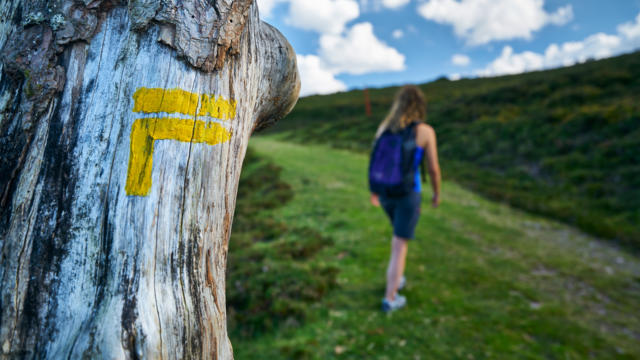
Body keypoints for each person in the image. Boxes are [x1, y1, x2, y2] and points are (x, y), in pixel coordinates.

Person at [368, 85, 441, 312]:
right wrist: (437, 192)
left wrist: (375, 191)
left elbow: (375, 161)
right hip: (409, 194)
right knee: (400, 245)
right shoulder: (425, 131)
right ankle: (390, 298)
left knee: (397, 239)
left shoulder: (384, 129)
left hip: (386, 194)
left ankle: (396, 278)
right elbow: (433, 168)